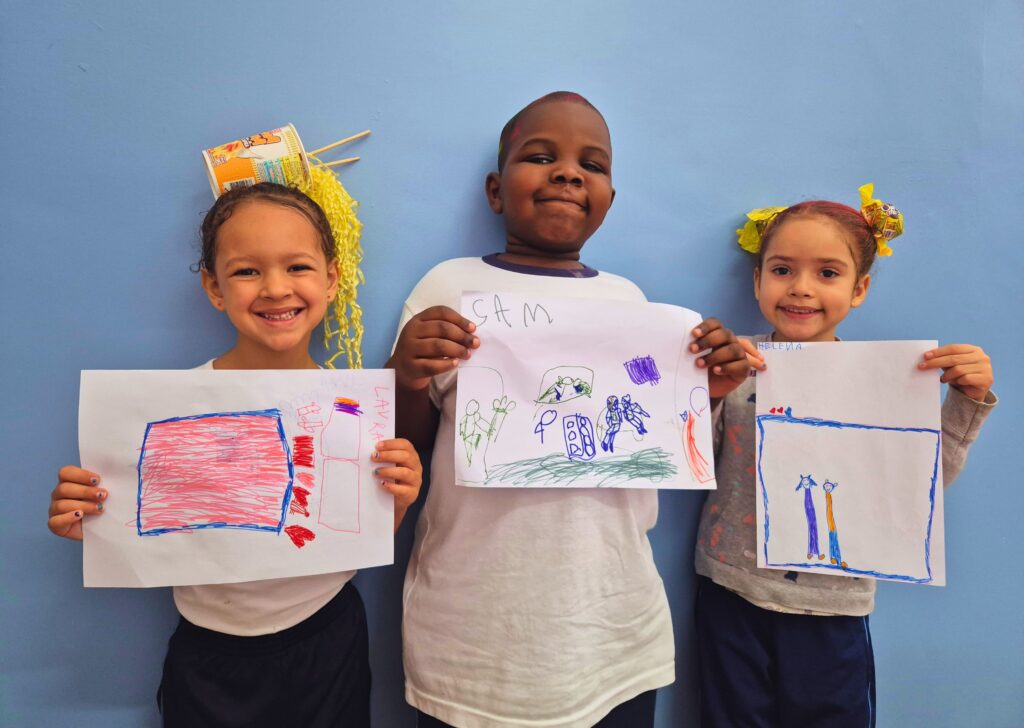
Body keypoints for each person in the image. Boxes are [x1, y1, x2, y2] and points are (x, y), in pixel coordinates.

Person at [388, 92, 750, 728]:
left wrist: (707, 393)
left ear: (609, 199)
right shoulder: (447, 289)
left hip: (612, 629)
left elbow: (655, 441)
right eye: (540, 156)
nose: (568, 173)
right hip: (473, 634)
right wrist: (406, 375)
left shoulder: (632, 304)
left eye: (594, 164)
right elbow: (404, 450)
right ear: (497, 191)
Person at [47, 183, 423, 727]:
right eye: (247, 271)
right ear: (214, 287)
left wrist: (399, 500)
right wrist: (91, 517)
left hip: (327, 641)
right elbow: (131, 515)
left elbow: (358, 538)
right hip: (209, 654)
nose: (275, 288)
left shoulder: (354, 412)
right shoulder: (170, 410)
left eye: (297, 266)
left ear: (332, 279)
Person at [694, 188, 997, 727]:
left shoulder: (884, 382)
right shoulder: (735, 361)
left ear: (859, 290)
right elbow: (693, 458)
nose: (802, 289)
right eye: (782, 269)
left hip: (831, 608)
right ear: (757, 279)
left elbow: (916, 484)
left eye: (828, 274)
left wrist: (966, 401)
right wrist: (713, 390)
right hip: (730, 593)